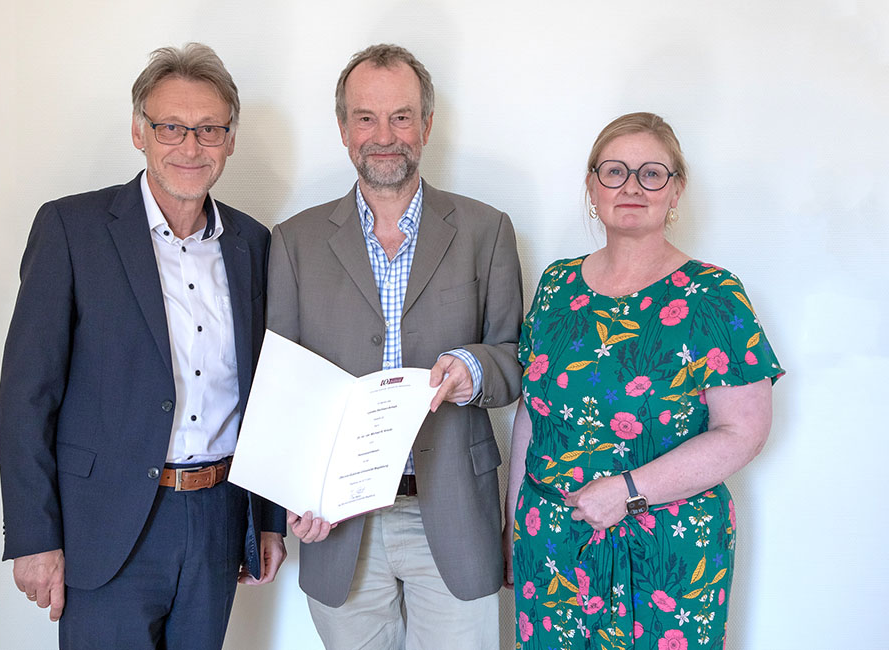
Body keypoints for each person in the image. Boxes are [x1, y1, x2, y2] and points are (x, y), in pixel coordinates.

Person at [0, 43, 286, 649]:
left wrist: (268, 518)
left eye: (209, 129)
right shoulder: (72, 230)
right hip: (105, 522)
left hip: (217, 518)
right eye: (171, 127)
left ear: (230, 140)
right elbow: (27, 396)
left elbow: (265, 391)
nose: (190, 146)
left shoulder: (253, 245)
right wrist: (32, 535)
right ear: (139, 132)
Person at [267, 43, 523, 649]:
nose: (385, 135)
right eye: (366, 117)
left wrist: (470, 368)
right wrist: (292, 498)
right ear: (342, 128)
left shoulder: (487, 230)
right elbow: (282, 389)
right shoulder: (295, 241)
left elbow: (515, 359)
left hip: (454, 514)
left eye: (401, 116)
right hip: (338, 525)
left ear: (427, 125)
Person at [505, 112, 783, 649]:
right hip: (552, 546)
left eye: (652, 173)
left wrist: (629, 494)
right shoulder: (556, 285)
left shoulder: (714, 297)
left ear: (676, 191)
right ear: (591, 186)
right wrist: (515, 527)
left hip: (667, 556)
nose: (631, 186)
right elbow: (532, 415)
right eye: (614, 171)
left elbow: (744, 432)